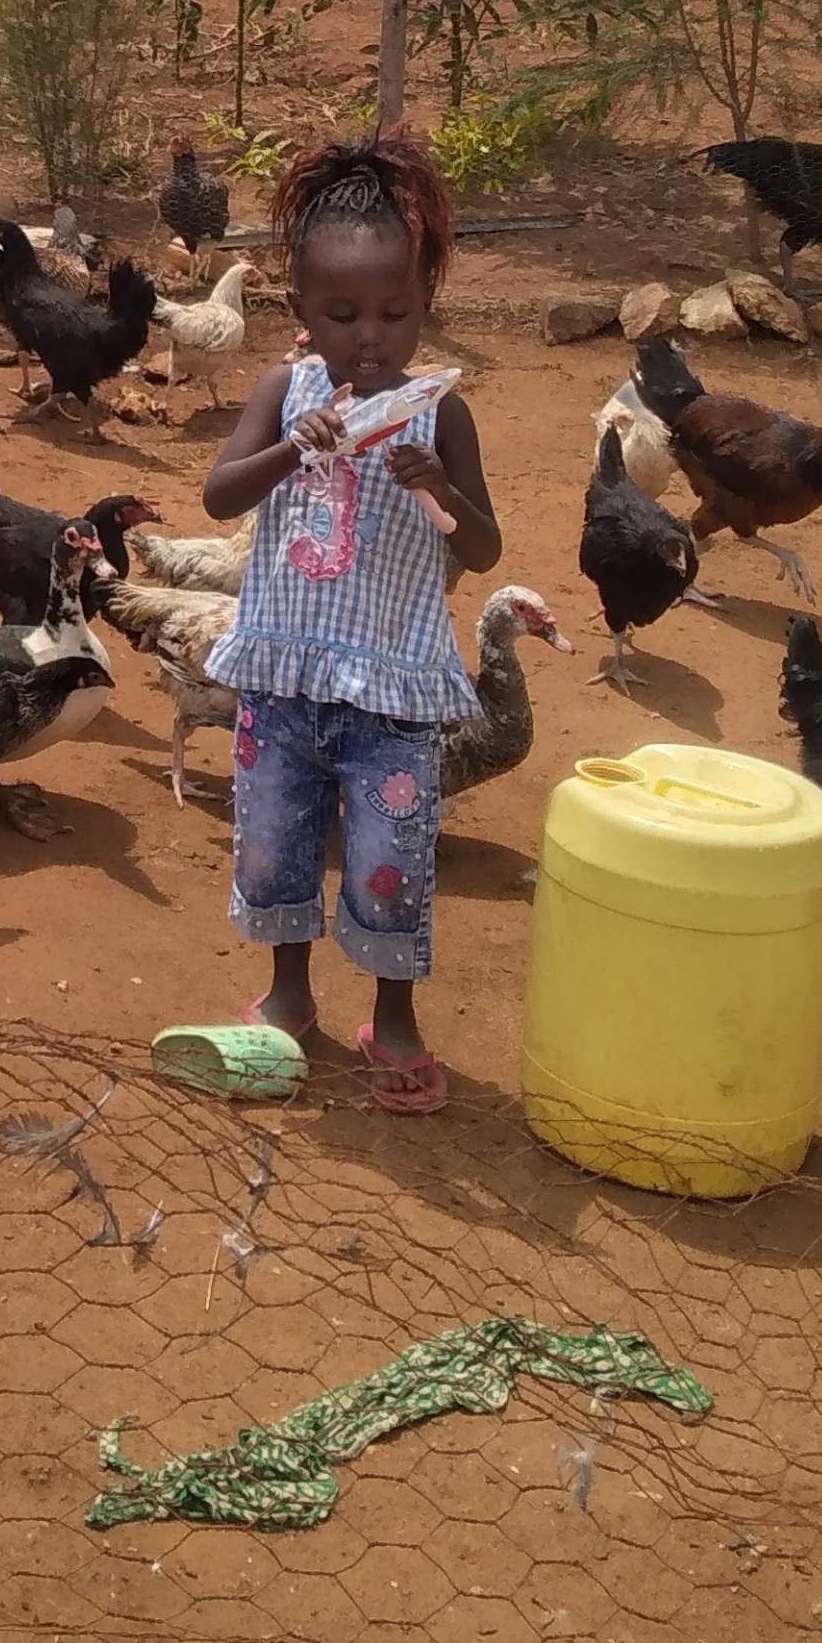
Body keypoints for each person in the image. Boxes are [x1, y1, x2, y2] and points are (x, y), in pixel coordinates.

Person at [195, 130, 501, 1112]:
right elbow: (217, 497)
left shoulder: (438, 413)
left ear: (424, 310)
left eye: (396, 313)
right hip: (285, 684)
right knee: (276, 845)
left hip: (391, 696)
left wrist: (439, 483)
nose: (371, 336)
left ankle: (394, 1014)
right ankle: (287, 996)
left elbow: (483, 543)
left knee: (388, 863)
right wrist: (291, 449)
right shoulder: (286, 392)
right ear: (301, 314)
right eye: (343, 314)